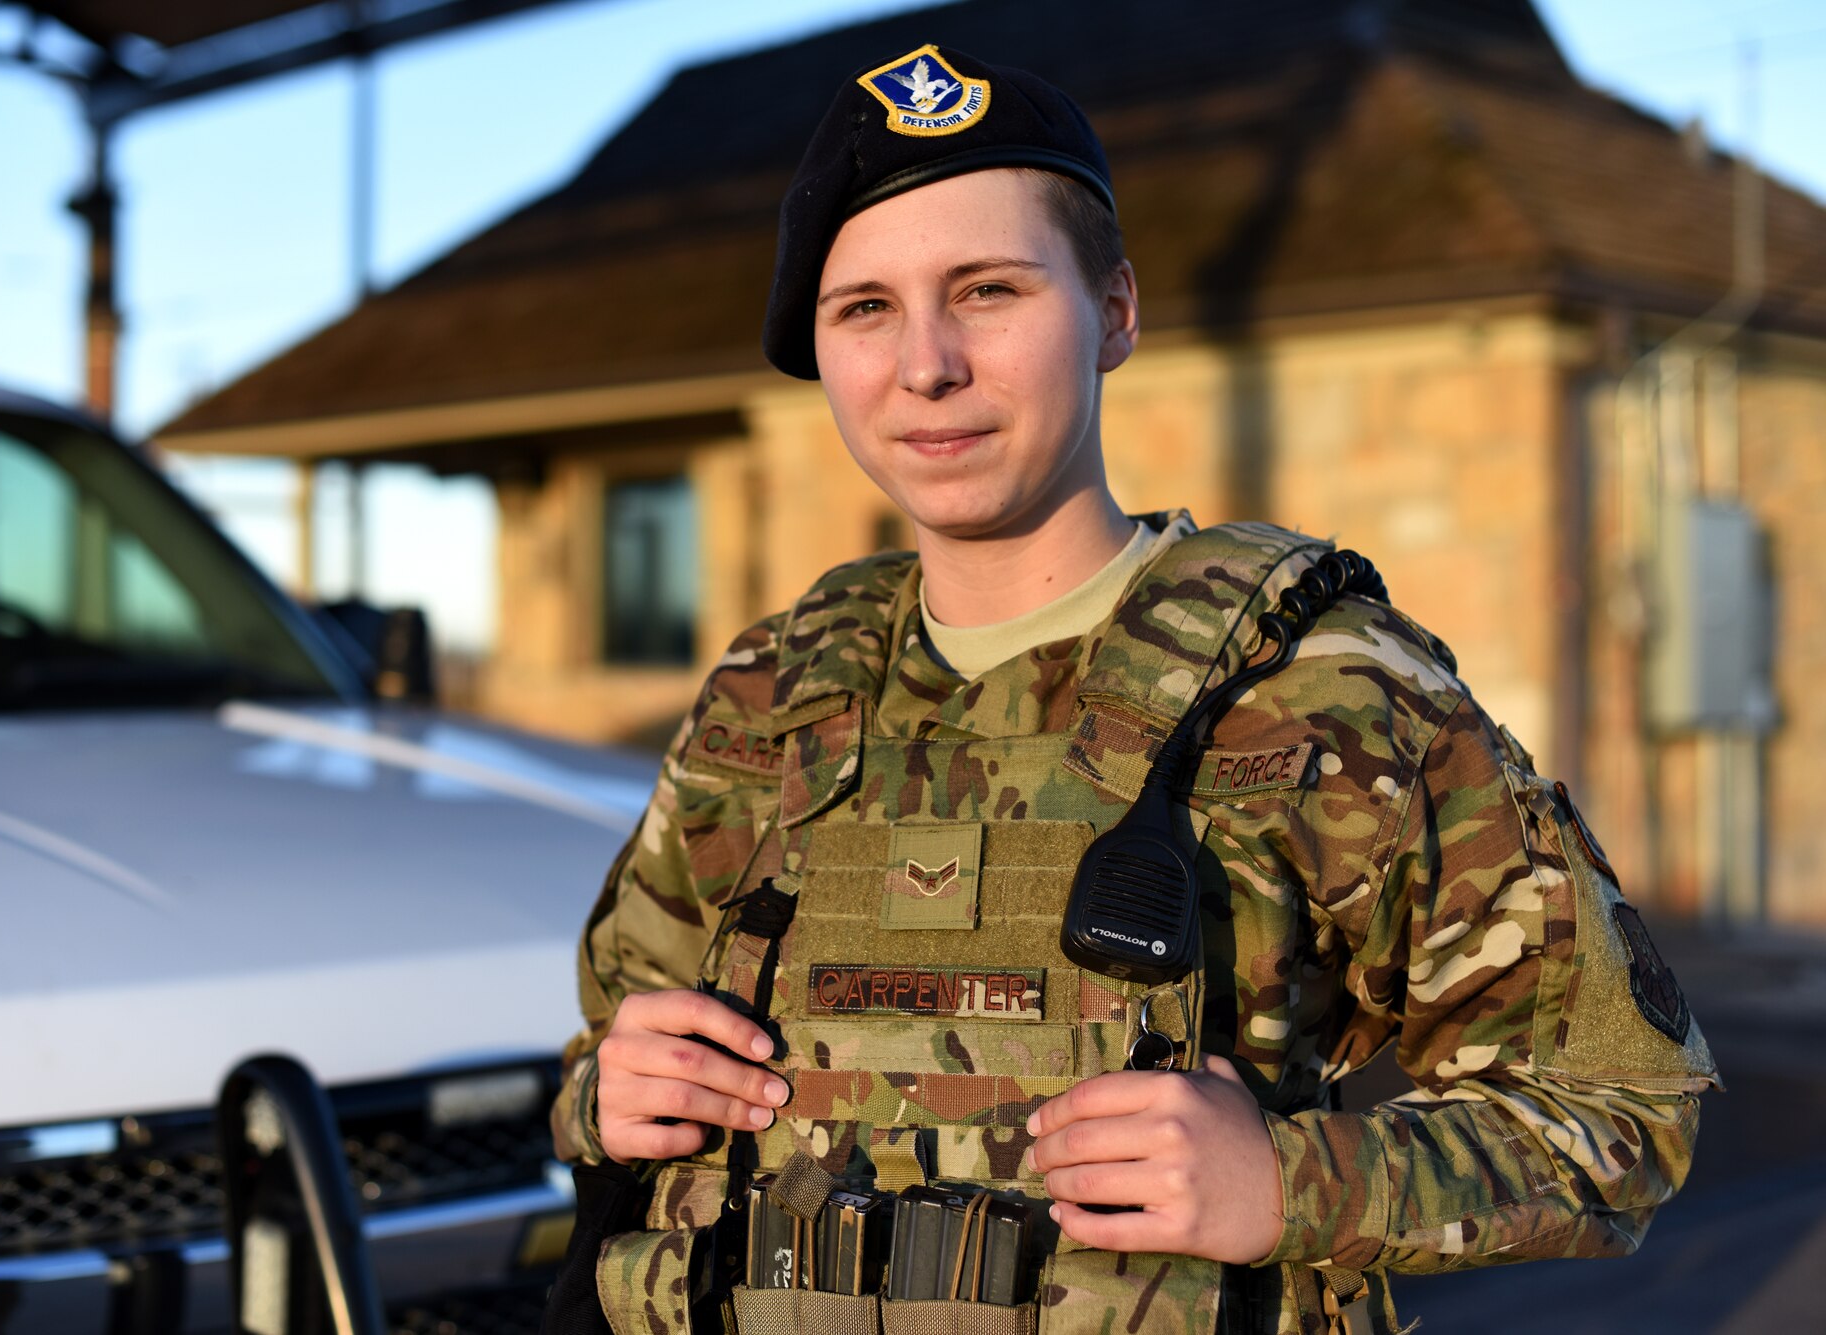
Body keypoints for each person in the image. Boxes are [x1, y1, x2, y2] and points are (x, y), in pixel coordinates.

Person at [547, 43, 1716, 1335]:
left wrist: (1291, 1184)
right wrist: (604, 1094)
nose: (925, 365)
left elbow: (1621, 1113)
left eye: (987, 290)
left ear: (1114, 312)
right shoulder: (768, 697)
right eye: (864, 309)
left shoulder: (1326, 693)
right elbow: (617, 1041)